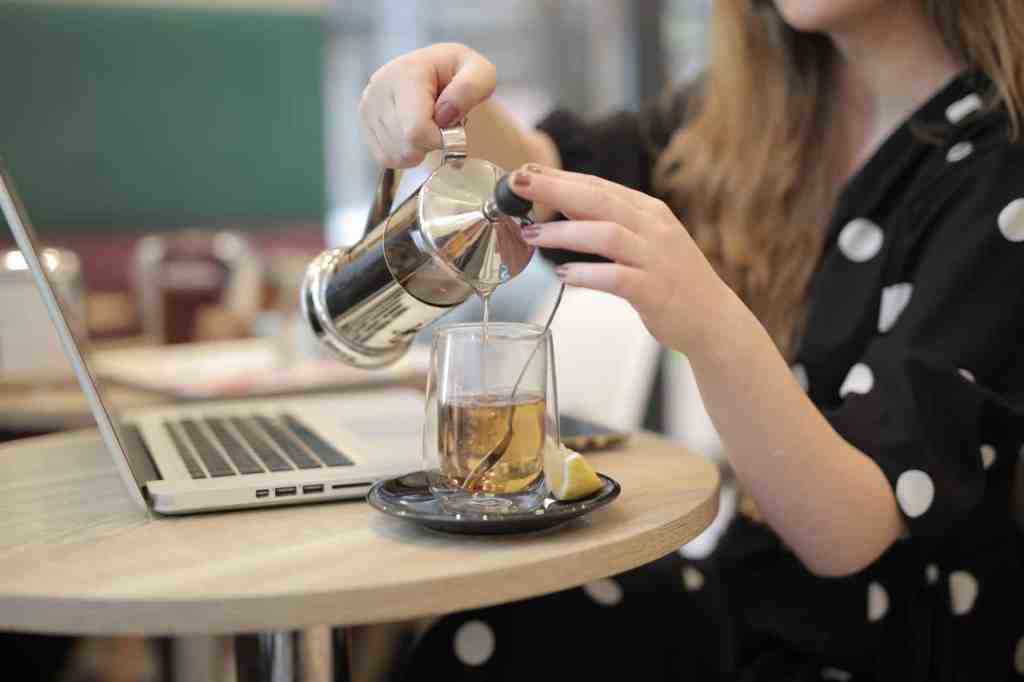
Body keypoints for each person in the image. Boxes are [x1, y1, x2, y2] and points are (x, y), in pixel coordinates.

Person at [358, 1, 1024, 679]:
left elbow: (855, 535)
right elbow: (549, 179)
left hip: (891, 652)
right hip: (754, 603)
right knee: (491, 630)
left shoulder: (1003, 164)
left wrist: (707, 321)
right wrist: (451, 102)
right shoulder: (762, 114)